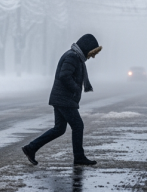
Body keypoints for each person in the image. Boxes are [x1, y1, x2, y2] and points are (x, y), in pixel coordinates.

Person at [22, 34, 102, 166]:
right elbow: (64, 75)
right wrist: (76, 88)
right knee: (78, 126)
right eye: (92, 52)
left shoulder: (76, 57)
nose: (92, 56)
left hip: (62, 98)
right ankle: (79, 157)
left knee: (59, 129)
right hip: (64, 99)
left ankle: (31, 148)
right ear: (86, 48)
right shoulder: (72, 57)